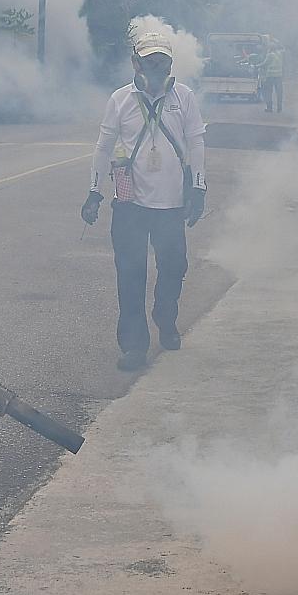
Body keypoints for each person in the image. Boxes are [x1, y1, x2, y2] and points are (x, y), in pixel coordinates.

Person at [81, 32, 207, 372]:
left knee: (174, 267)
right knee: (131, 275)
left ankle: (165, 316)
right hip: (131, 206)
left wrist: (198, 188)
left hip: (170, 207)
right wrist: (94, 192)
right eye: (149, 62)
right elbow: (103, 148)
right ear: (136, 63)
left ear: (170, 64)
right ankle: (135, 346)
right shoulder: (121, 100)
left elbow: (195, 143)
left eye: (162, 62)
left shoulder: (184, 98)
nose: (156, 68)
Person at [258, 39, 285, 114]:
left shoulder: (270, 55)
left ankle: (269, 108)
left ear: (269, 48)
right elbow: (283, 48)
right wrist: (276, 41)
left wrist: (256, 66)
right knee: (279, 93)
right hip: (279, 76)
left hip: (270, 77)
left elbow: (264, 64)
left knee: (268, 92)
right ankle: (279, 108)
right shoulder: (280, 54)